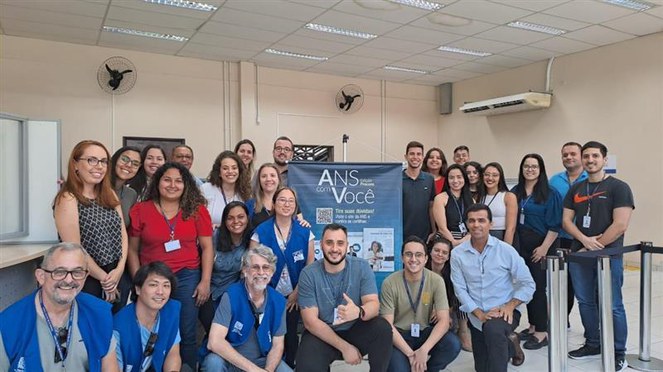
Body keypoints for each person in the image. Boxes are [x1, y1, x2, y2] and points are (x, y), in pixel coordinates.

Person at [128, 162, 213, 370]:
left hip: (187, 276)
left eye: (178, 181)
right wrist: (139, 280)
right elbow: (132, 250)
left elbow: (207, 247)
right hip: (152, 277)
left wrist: (205, 281)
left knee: (187, 330)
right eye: (167, 179)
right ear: (158, 182)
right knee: (154, 328)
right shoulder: (141, 210)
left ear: (186, 185)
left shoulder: (196, 210)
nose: (172, 185)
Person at [563, 141, 634, 371]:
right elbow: (566, 221)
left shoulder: (619, 187)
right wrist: (584, 242)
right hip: (580, 256)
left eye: (595, 156)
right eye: (586, 156)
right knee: (585, 302)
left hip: (609, 255)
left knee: (613, 304)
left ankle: (618, 351)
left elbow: (620, 224)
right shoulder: (577, 189)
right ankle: (593, 343)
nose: (590, 160)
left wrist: (594, 246)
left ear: (604, 160)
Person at [0, 242, 119, 371]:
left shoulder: (98, 313)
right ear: (41, 276)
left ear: (86, 276)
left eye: (77, 272)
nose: (69, 280)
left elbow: (110, 368)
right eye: (59, 272)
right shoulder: (8, 324)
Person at [296, 223, 393, 371]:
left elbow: (373, 305)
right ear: (321, 245)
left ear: (347, 246)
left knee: (382, 327)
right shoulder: (309, 274)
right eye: (329, 243)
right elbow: (310, 322)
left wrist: (359, 311)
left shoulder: (361, 267)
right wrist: (345, 348)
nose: (334, 249)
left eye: (340, 243)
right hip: (323, 333)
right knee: (307, 364)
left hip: (355, 329)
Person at [451, 204, 535, 372]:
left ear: (491, 224)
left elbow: (528, 284)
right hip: (477, 316)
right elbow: (459, 289)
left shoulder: (506, 250)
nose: (476, 225)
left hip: (504, 313)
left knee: (494, 332)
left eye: (481, 220)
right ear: (467, 224)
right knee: (482, 368)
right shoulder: (458, 254)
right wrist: (479, 314)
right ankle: (512, 344)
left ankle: (506, 339)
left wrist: (510, 306)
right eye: (472, 221)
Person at [53, 140, 129, 313]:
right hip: (88, 278)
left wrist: (120, 269)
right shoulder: (68, 198)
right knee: (91, 331)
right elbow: (75, 249)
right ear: (75, 164)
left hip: (116, 274)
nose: (99, 166)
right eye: (92, 160)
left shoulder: (108, 194)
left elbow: (123, 233)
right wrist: (104, 279)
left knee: (113, 330)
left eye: (103, 161)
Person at [250, 187, 315, 367]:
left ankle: (289, 365)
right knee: (267, 331)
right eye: (282, 200)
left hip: (295, 293)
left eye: (290, 201)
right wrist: (266, 294)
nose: (286, 204)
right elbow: (252, 265)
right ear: (273, 203)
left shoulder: (305, 232)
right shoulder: (261, 231)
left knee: (291, 332)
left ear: (295, 207)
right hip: (266, 293)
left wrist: (297, 292)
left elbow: (310, 267)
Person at [202, 247, 292, 372]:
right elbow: (214, 341)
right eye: (255, 267)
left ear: (272, 272)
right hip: (230, 360)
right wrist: (253, 370)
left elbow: (277, 346)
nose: (261, 272)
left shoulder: (279, 301)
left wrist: (268, 370)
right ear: (245, 270)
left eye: (266, 267)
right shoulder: (231, 295)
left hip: (262, 361)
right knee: (213, 362)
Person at [381, 236, 461, 372]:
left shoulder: (436, 281)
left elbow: (444, 320)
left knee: (452, 344)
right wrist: (411, 355)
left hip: (424, 332)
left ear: (425, 259)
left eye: (418, 255)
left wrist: (424, 350)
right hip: (399, 336)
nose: (413, 259)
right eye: (408, 254)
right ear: (402, 258)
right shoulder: (390, 282)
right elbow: (387, 326)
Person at [511, 154, 562, 350]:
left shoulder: (550, 193)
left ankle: (542, 332)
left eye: (534, 166)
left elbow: (555, 224)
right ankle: (532, 326)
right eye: (526, 166)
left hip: (541, 245)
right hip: (521, 244)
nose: (530, 169)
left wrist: (544, 248)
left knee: (539, 288)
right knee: (526, 286)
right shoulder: (516, 191)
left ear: (540, 170)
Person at [113, 262, 181, 372]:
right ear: (138, 289)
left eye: (166, 286)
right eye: (153, 285)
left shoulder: (170, 312)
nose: (160, 292)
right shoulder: (118, 327)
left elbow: (173, 353)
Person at [549, 142, 588, 324]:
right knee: (561, 284)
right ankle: (560, 320)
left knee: (584, 284)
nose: (569, 157)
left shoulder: (592, 179)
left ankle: (594, 329)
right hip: (559, 238)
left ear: (581, 156)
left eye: (573, 154)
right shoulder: (555, 181)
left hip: (584, 241)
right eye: (565, 155)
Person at [199, 201, 252, 333]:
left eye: (241, 217)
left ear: (247, 218)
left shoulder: (252, 240)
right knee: (211, 326)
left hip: (232, 292)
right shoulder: (214, 237)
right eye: (230, 218)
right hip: (209, 290)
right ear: (224, 221)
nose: (236, 221)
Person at [426, 236, 464, 347]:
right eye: (436, 250)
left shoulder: (452, 273)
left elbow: (453, 299)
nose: (440, 254)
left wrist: (443, 313)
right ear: (430, 252)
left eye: (444, 252)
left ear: (448, 257)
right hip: (424, 309)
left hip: (445, 309)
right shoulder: (422, 270)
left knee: (447, 325)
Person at [201, 151, 252, 229]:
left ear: (239, 171)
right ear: (219, 172)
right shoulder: (205, 189)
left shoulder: (246, 192)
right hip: (212, 238)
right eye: (225, 168)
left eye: (234, 168)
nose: (230, 171)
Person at [402, 141, 436, 242]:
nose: (415, 157)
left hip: (424, 235)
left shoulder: (429, 179)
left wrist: (434, 230)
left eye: (418, 154)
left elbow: (431, 206)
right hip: (402, 234)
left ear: (422, 157)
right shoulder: (397, 179)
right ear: (406, 156)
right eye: (412, 154)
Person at [433, 164, 474, 247]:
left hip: (467, 240)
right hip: (445, 241)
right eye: (451, 177)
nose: (455, 181)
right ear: (447, 180)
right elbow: (442, 228)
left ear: (464, 179)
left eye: (459, 177)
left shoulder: (472, 200)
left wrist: (464, 240)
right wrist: (453, 243)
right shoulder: (440, 198)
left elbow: (473, 226)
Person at [481, 162, 517, 245]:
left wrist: (506, 249)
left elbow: (511, 228)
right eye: (487, 174)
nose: (490, 178)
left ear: (500, 177)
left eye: (495, 175)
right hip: (482, 237)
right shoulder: (479, 197)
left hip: (501, 237)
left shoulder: (508, 196)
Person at [110, 145, 141, 226]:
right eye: (124, 159)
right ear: (115, 159)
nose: (129, 165)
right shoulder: (96, 187)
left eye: (135, 163)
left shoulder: (131, 194)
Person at [246, 163, 282, 231]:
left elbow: (297, 226)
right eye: (264, 176)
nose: (268, 179)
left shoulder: (288, 203)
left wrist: (304, 223)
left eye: (272, 175)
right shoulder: (250, 205)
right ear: (259, 181)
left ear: (278, 179)